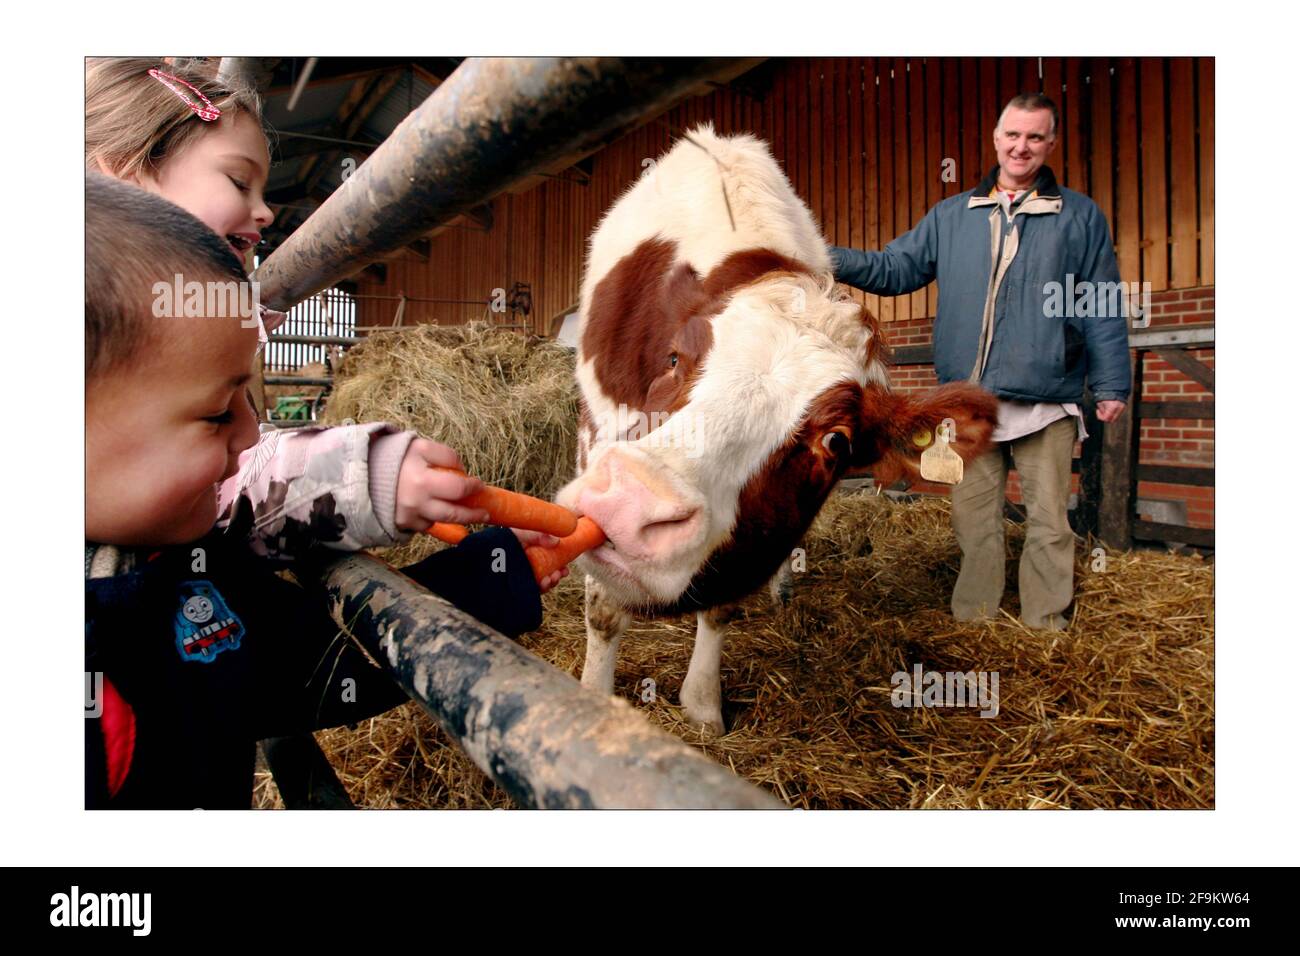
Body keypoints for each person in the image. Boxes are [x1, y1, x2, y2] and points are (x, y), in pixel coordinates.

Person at [85, 175, 565, 808]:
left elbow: (304, 659)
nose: (254, 430)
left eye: (246, 398)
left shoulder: (180, 567)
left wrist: (492, 576)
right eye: (214, 413)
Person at [830, 93, 1131, 630]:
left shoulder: (1078, 216)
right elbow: (897, 268)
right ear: (996, 140)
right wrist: (828, 257)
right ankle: (975, 622)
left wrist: (1111, 382)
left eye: (1035, 137)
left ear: (1050, 144)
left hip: (1046, 400)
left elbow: (1101, 302)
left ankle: (1044, 623)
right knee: (974, 517)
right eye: (1013, 135)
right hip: (970, 403)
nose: (1022, 147)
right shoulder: (954, 216)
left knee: (1048, 521)